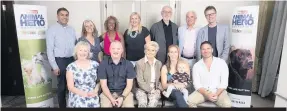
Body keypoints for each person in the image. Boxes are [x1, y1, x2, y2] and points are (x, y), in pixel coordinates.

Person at [46, 7, 76, 108]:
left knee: (73, 85)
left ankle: (73, 104)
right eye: (62, 15)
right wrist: (54, 66)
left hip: (72, 60)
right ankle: (62, 107)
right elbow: (49, 49)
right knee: (62, 86)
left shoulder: (71, 29)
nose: (64, 17)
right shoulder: (52, 29)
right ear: (57, 16)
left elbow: (75, 45)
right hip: (60, 61)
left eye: (66, 15)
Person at [188, 41, 232, 107]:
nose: (206, 51)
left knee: (227, 104)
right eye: (203, 49)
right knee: (189, 101)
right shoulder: (196, 66)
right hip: (203, 91)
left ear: (212, 50)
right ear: (200, 51)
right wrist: (207, 94)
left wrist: (216, 94)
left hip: (218, 91)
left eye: (208, 48)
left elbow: (224, 83)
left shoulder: (221, 63)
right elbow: (197, 84)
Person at [98, 41, 136, 108]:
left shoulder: (128, 64)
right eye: (113, 48)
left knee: (129, 106)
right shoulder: (103, 64)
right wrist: (111, 99)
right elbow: (103, 85)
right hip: (107, 93)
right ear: (109, 50)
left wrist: (122, 97)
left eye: (118, 49)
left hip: (124, 93)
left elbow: (129, 85)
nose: (116, 51)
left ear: (122, 50)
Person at [66, 41, 100, 108]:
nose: (83, 53)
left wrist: (95, 91)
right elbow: (70, 87)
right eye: (80, 50)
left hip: (92, 92)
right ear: (76, 51)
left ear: (88, 53)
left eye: (85, 51)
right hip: (77, 93)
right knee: (80, 104)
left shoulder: (95, 64)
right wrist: (84, 94)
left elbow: (100, 81)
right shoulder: (71, 67)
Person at [135, 41, 162, 107]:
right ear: (145, 51)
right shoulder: (139, 63)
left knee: (153, 103)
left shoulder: (159, 63)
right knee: (142, 103)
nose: (150, 52)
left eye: (153, 50)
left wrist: (158, 89)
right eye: (148, 50)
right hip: (141, 88)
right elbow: (140, 81)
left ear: (156, 52)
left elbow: (161, 79)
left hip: (154, 89)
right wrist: (150, 90)